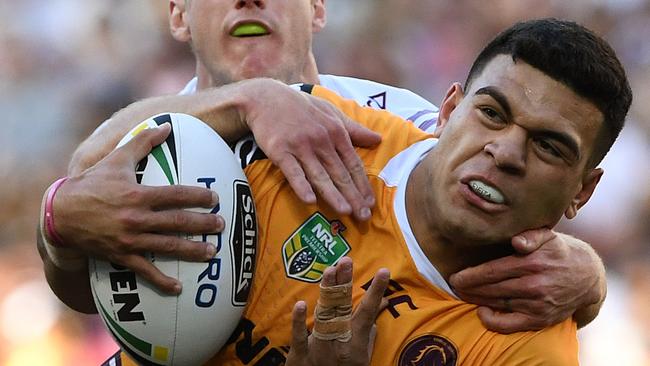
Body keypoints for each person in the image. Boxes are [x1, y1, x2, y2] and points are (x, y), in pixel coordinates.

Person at [39, 0, 604, 342]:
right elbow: (86, 291)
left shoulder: (399, 120)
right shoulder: (146, 148)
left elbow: (502, 210)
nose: (250, 0)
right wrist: (59, 233)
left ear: (318, 9)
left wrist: (589, 274)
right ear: (178, 15)